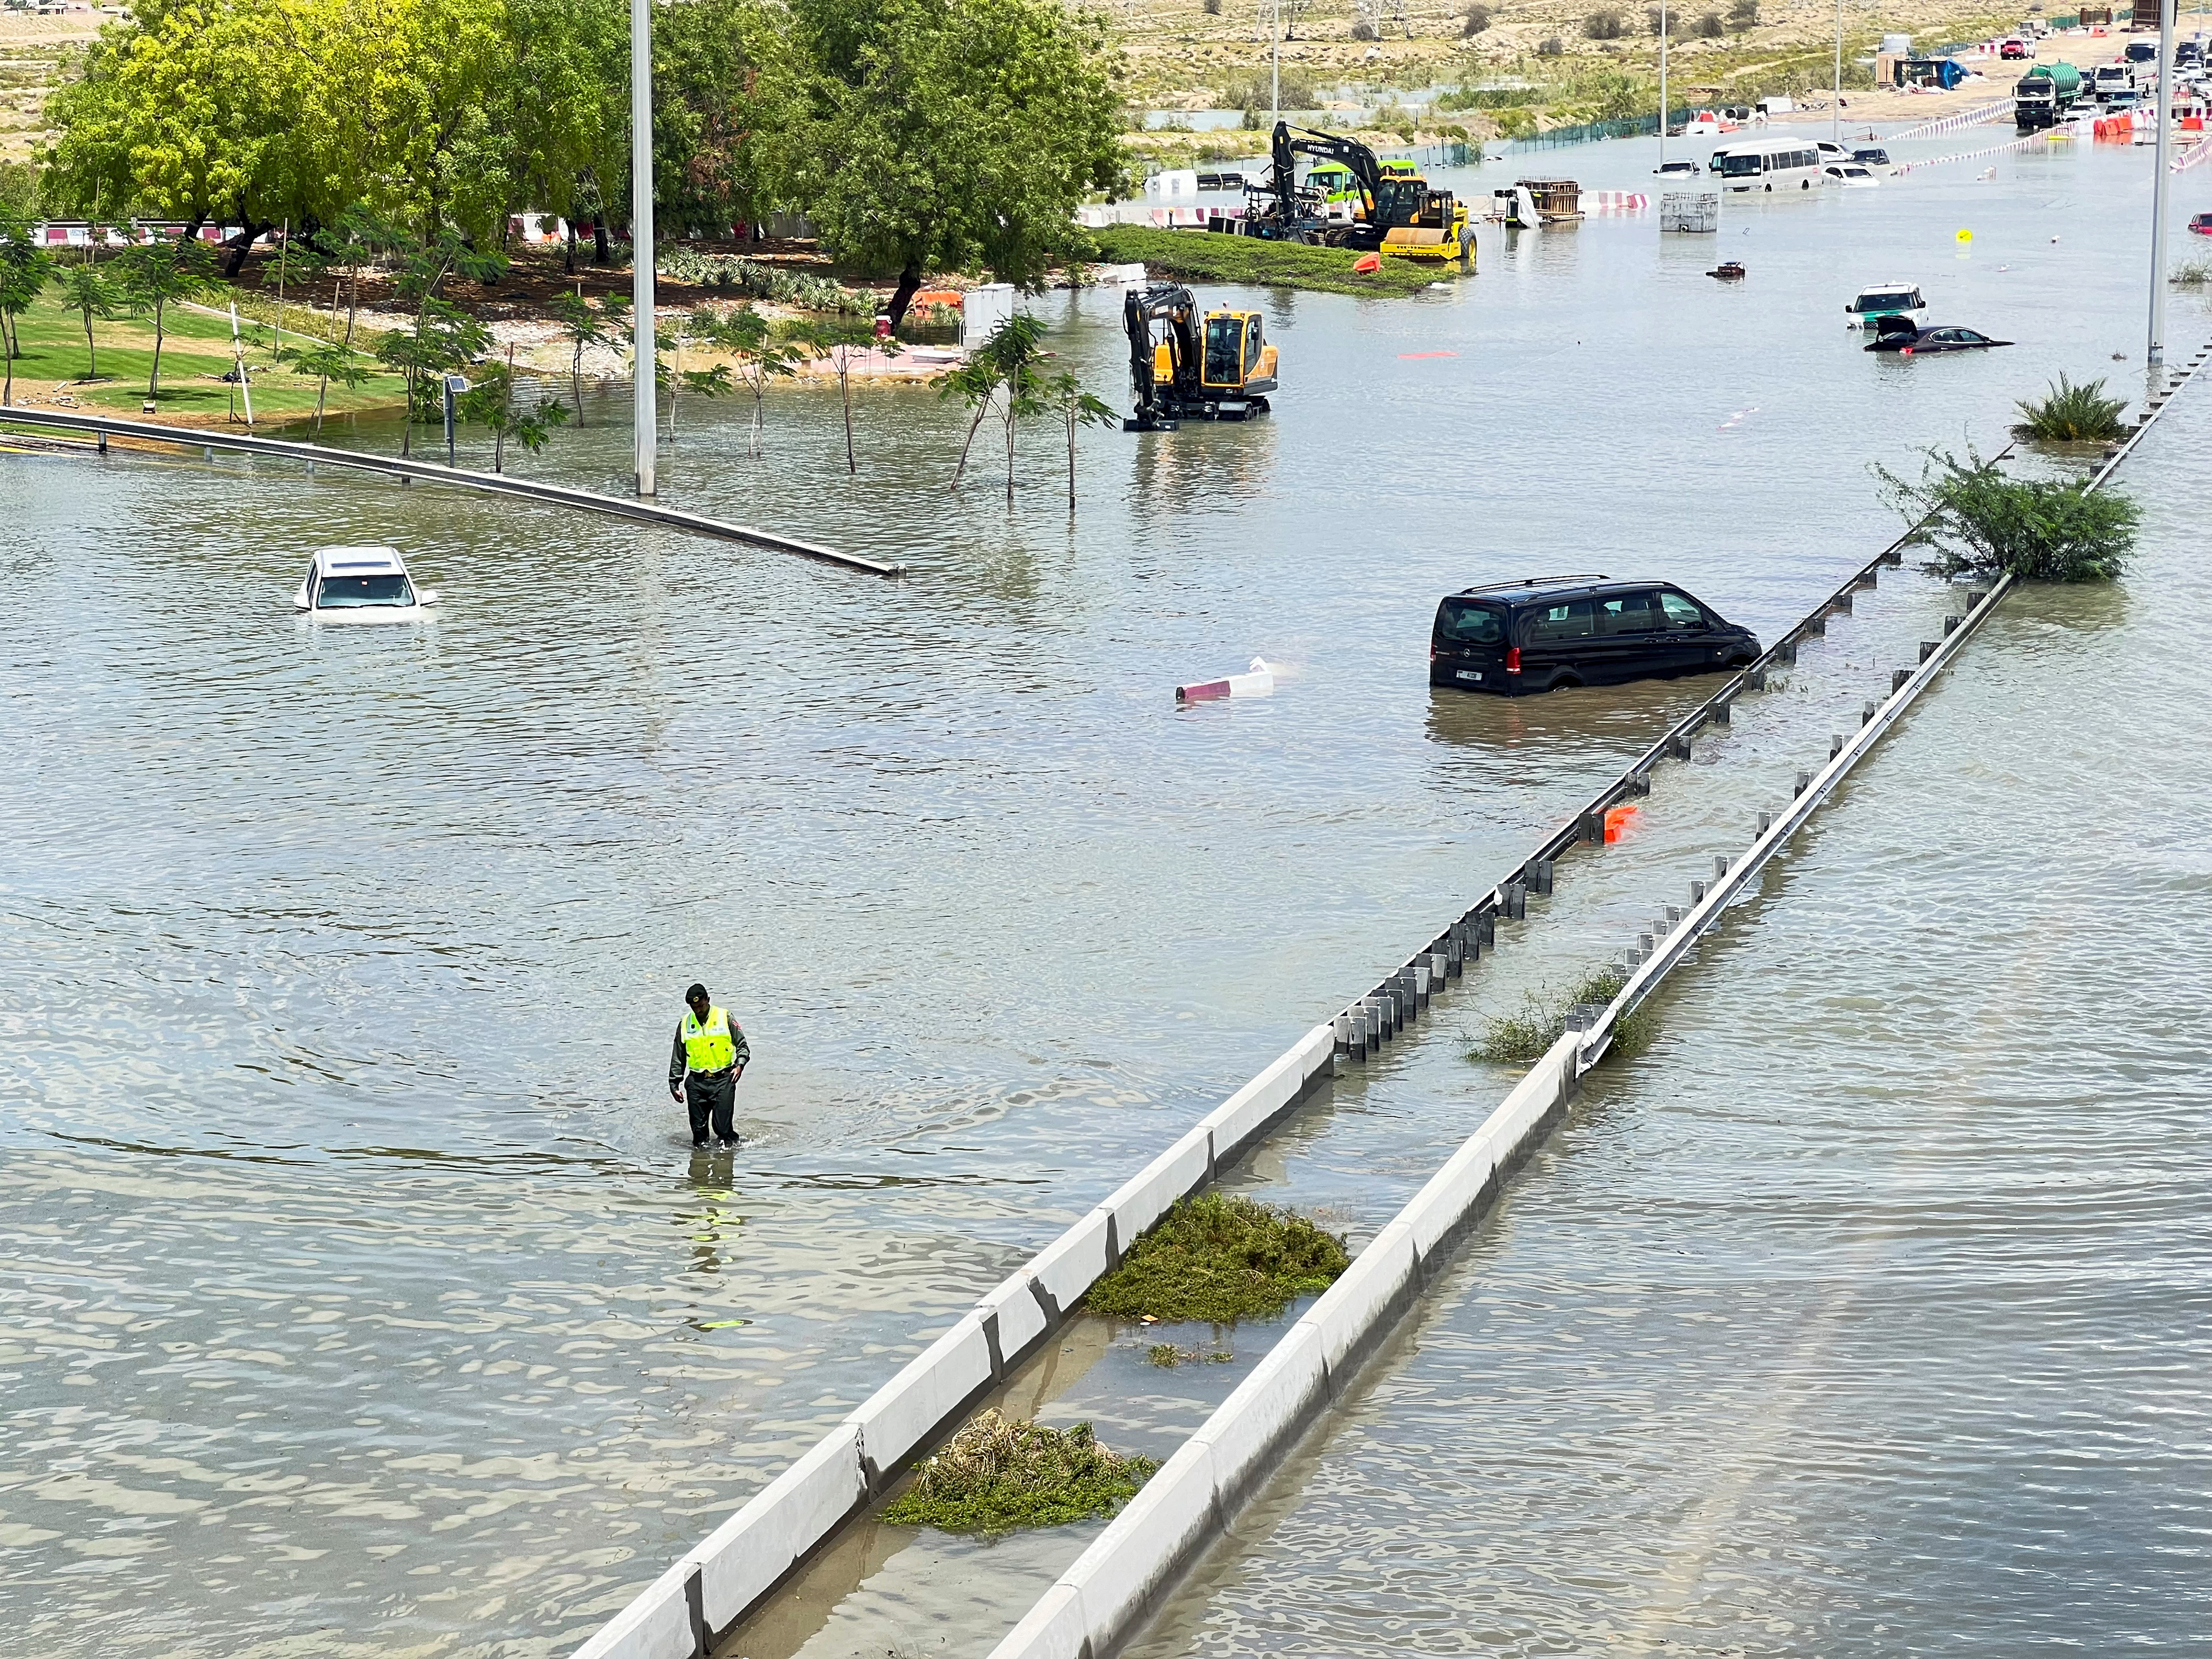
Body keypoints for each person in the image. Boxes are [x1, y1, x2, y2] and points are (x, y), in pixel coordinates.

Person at [669, 982, 749, 1147]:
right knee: (699, 1135)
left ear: (708, 1000)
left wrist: (739, 1065)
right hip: (696, 1083)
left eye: (701, 1006)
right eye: (694, 1007)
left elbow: (742, 1046)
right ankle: (701, 1168)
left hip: (724, 1080)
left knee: (722, 1128)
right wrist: (674, 1084)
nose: (698, 1010)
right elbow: (678, 1056)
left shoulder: (725, 1017)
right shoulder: (685, 1023)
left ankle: (729, 1158)